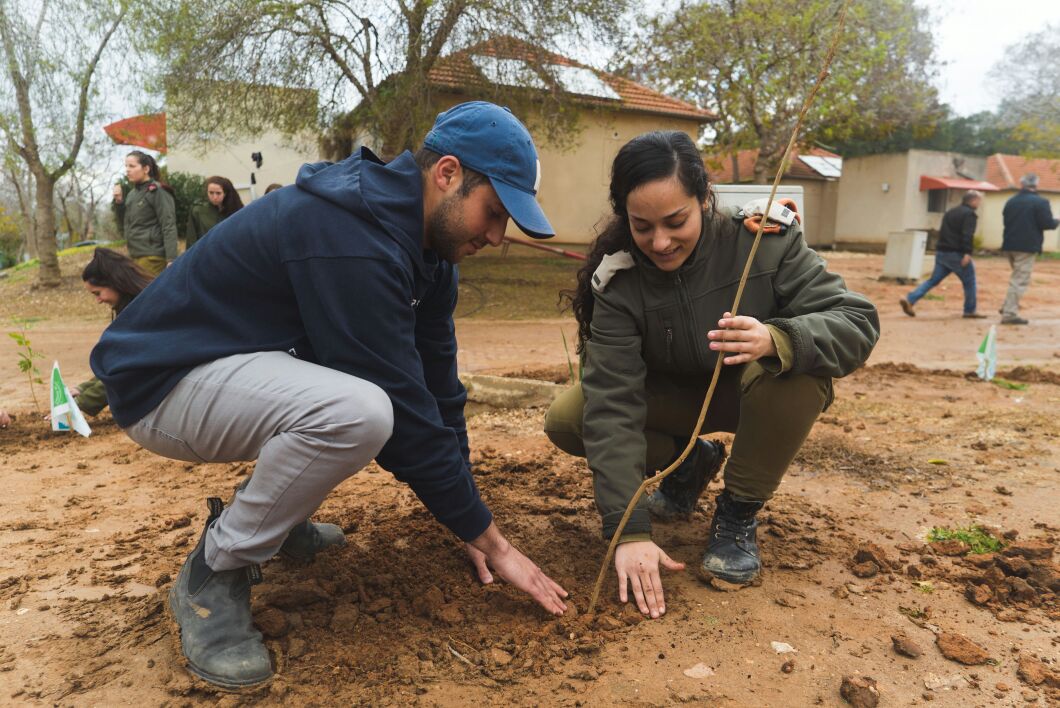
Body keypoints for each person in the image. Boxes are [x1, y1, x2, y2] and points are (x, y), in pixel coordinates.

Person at [91, 101, 567, 690]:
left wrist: (469, 522)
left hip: (233, 368)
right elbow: (407, 415)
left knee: (362, 398)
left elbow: (440, 391)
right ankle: (215, 570)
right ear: (446, 174)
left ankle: (275, 516)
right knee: (361, 412)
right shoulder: (349, 237)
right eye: (493, 212)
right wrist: (495, 543)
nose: (496, 237)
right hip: (160, 384)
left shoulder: (428, 256)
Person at [544, 131, 879, 619]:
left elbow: (856, 321)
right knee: (571, 417)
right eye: (642, 226)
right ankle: (690, 464)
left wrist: (778, 338)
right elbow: (613, 405)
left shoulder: (764, 244)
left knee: (798, 371)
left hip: (753, 396)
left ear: (704, 198)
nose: (659, 242)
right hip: (674, 399)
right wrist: (629, 532)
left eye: (676, 221)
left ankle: (738, 514)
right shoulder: (617, 281)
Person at [71, 249, 154, 416]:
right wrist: (83, 389)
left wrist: (82, 403)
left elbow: (127, 369)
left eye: (97, 293)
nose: (98, 300)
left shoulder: (143, 313)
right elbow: (118, 363)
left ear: (115, 282)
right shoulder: (133, 307)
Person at [900, 190, 986, 319]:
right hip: (956, 254)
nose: (979, 203)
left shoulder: (950, 212)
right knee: (970, 281)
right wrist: (967, 252)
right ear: (973, 201)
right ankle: (970, 310)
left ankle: (911, 299)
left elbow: (943, 232)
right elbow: (967, 235)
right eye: (979, 200)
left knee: (933, 280)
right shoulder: (969, 215)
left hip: (942, 252)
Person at [999, 173, 1060, 325]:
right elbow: (1047, 224)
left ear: (1022, 184)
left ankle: (1007, 306)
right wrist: (1056, 221)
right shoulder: (1041, 202)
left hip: (1009, 244)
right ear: (1036, 184)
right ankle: (1009, 313)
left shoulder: (1011, 201)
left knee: (1016, 277)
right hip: (1027, 246)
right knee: (1020, 280)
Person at [112, 151, 178, 275]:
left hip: (153, 256)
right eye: (126, 166)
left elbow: (168, 225)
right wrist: (119, 202)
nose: (127, 170)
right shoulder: (132, 194)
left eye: (132, 166)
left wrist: (171, 258)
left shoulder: (157, 191)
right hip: (135, 255)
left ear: (146, 169)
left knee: (147, 293)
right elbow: (125, 224)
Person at [185, 176, 244, 249]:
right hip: (206, 253)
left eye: (218, 193)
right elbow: (191, 239)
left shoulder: (236, 211)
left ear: (225, 193)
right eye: (211, 193)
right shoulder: (198, 211)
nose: (214, 197)